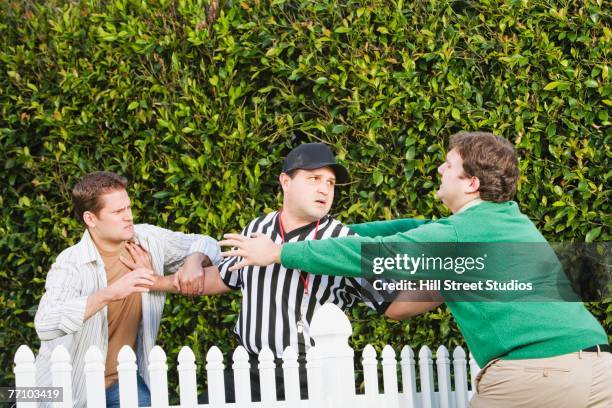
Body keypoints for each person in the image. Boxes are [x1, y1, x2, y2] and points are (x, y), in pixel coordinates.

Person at [220, 132, 611, 408]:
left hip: (537, 374)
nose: (440, 168)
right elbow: (409, 229)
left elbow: (378, 253)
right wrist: (340, 232)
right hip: (600, 365)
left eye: (449, 164)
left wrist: (281, 254)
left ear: (471, 183)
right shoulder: (512, 221)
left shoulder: (458, 232)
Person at [194, 143, 392, 401]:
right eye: (314, 179)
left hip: (310, 375)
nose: (324, 189)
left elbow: (392, 301)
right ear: (285, 182)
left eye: (330, 183)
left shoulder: (341, 238)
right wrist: (154, 281)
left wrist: (452, 283)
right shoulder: (258, 228)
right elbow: (222, 277)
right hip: (250, 369)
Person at [34, 171, 222, 407]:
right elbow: (45, 323)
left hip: (120, 382)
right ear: (91, 219)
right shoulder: (70, 263)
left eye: (128, 208)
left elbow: (208, 243)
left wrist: (194, 259)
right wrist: (109, 293)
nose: (129, 217)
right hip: (65, 387)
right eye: (117, 212)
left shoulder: (146, 240)